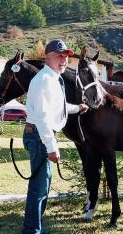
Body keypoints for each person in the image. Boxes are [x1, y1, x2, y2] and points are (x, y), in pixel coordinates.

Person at [22, 39, 89, 234]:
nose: (65, 60)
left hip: (41, 134)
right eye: (60, 55)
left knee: (43, 186)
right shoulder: (44, 79)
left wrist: (78, 108)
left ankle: (35, 227)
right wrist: (51, 147)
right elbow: (43, 117)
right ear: (48, 56)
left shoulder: (53, 78)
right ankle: (31, 230)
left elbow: (57, 107)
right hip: (40, 135)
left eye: (66, 56)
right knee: (39, 187)